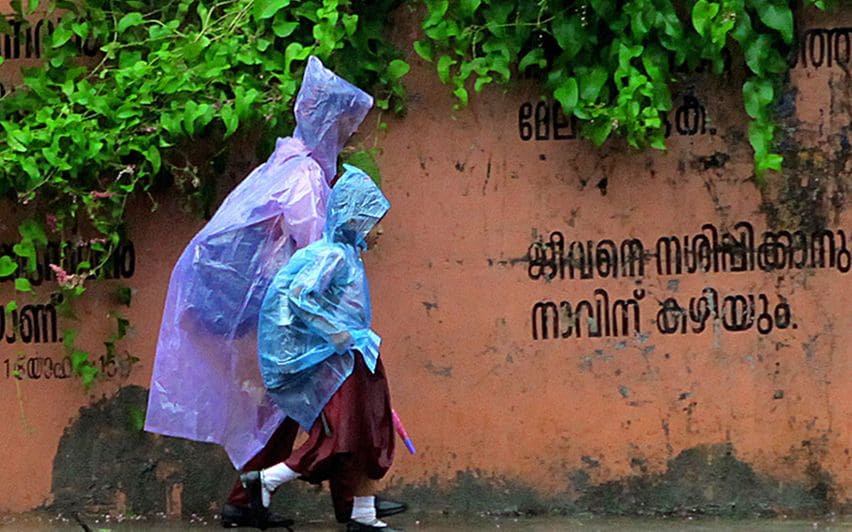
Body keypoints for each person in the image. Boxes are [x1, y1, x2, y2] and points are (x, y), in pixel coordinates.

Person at [143, 56, 403, 528]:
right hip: (294, 314)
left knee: (318, 404)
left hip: (290, 309)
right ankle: (256, 499)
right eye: (346, 123)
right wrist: (341, 315)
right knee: (308, 404)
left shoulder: (288, 163)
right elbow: (315, 243)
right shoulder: (302, 176)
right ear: (329, 119)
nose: (352, 134)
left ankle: (345, 503)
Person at [241, 166, 399, 531]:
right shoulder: (333, 256)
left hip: (359, 355)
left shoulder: (347, 255)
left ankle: (363, 514)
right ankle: (268, 480)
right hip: (341, 363)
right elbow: (299, 296)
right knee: (340, 437)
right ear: (357, 221)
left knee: (367, 434)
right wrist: (337, 333)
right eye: (375, 222)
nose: (380, 231)